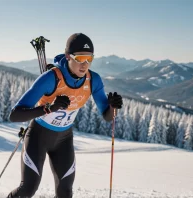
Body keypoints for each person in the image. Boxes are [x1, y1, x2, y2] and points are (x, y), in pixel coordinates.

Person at [8, 33, 123, 198]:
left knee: (65, 192)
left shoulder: (93, 80)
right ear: (68, 56)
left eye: (89, 59)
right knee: (28, 189)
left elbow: (107, 117)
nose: (85, 64)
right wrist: (49, 108)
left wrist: (113, 107)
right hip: (38, 137)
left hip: (63, 140)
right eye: (80, 58)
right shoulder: (50, 78)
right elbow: (15, 115)